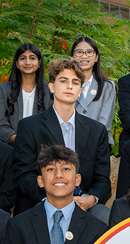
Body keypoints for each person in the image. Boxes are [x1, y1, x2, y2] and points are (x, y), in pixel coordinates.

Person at [13, 58, 111, 222]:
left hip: (82, 204)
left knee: (103, 215)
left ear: (80, 91)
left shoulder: (97, 130)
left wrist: (91, 199)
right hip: (41, 202)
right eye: (63, 81)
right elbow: (23, 176)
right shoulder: (29, 126)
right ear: (51, 87)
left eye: (75, 82)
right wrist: (55, 199)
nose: (69, 86)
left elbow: (102, 179)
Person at [0, 43, 50, 144]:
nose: (27, 62)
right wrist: (19, 138)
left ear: (39, 63)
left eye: (32, 58)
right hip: (13, 146)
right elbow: (1, 125)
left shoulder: (49, 90)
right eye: (23, 58)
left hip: (41, 147)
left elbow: (51, 124)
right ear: (17, 64)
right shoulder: (5, 89)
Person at [72, 36, 116, 142]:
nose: (84, 56)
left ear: (96, 57)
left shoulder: (107, 86)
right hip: (70, 141)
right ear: (72, 57)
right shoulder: (65, 85)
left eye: (89, 52)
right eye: (79, 52)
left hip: (99, 142)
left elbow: (104, 123)